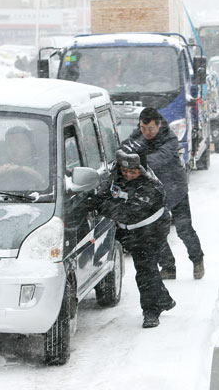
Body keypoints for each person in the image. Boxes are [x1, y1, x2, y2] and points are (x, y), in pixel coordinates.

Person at [91, 140, 176, 328]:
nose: (129, 175)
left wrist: (102, 205)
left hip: (152, 232)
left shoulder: (151, 187)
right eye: (125, 170)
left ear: (142, 169)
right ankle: (163, 299)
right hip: (131, 233)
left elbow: (127, 213)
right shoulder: (116, 175)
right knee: (147, 269)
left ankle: (151, 311)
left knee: (146, 272)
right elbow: (103, 194)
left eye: (134, 171)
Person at [129, 107, 205, 280]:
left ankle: (197, 259)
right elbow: (127, 147)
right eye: (143, 128)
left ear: (159, 124)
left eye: (150, 129)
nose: (146, 133)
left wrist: (137, 162)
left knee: (184, 229)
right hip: (154, 193)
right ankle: (168, 267)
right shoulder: (137, 136)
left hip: (176, 190)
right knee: (156, 232)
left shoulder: (169, 139)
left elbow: (159, 158)